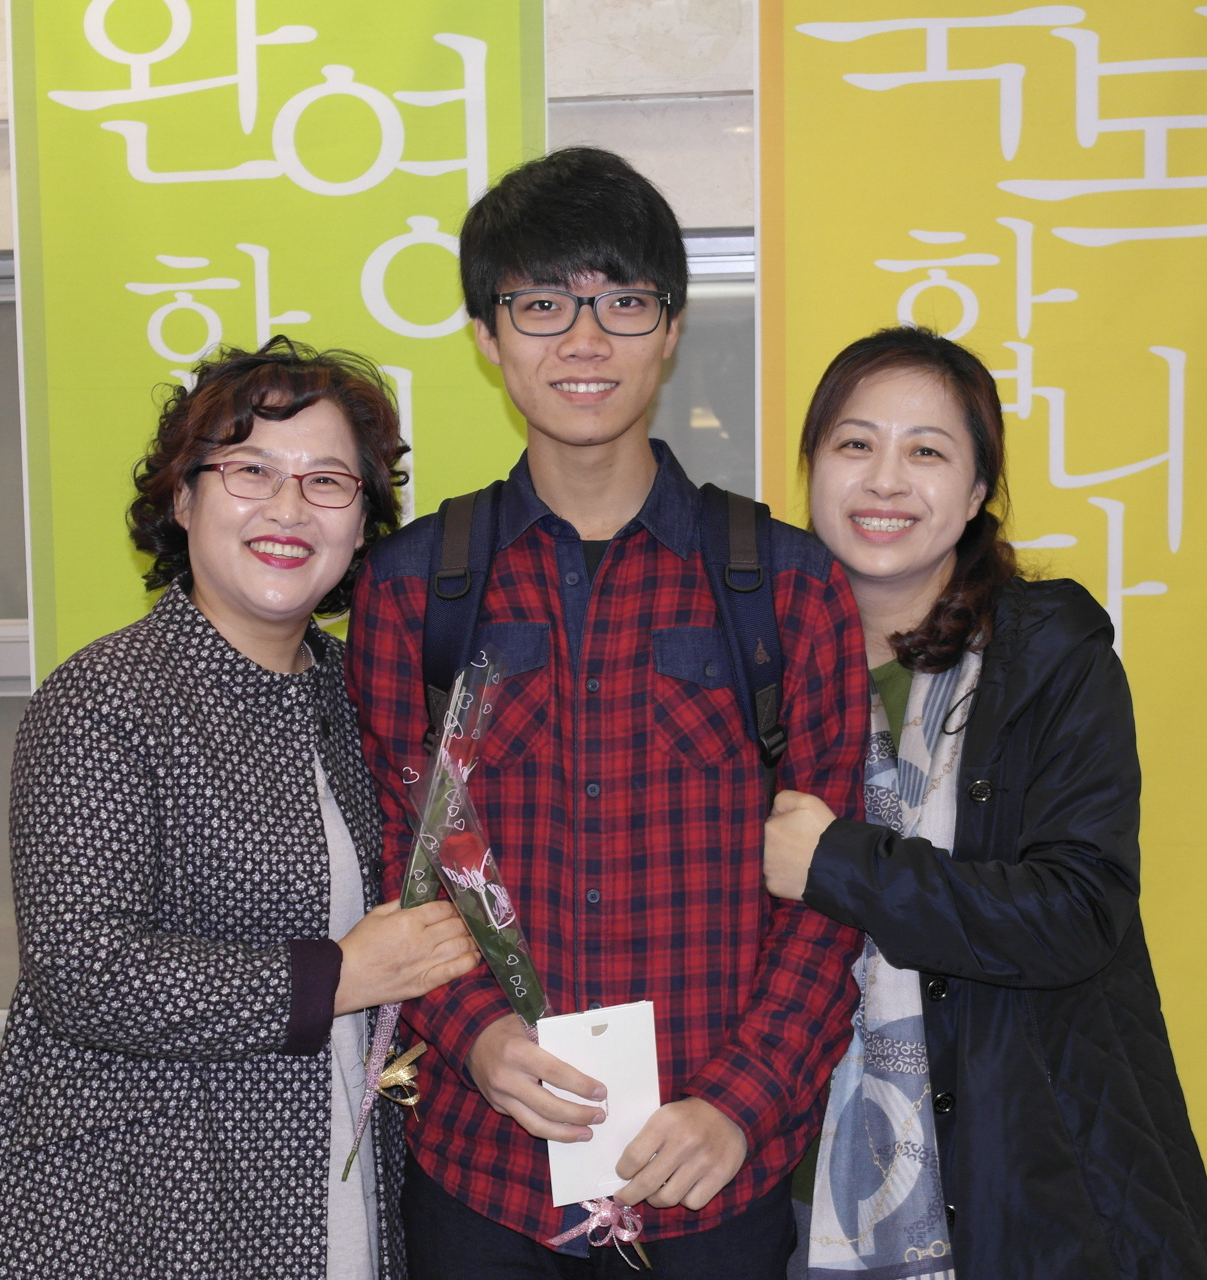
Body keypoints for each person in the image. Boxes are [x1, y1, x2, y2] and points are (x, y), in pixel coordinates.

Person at [346, 146, 871, 1279]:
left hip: (710, 1180)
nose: (584, 340)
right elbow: (402, 854)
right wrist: (478, 1035)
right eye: (542, 304)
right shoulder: (414, 586)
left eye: (623, 302)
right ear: (487, 335)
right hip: (485, 1178)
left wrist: (741, 1102)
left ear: (670, 328)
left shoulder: (786, 586)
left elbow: (833, 890)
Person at [0, 339, 479, 1280]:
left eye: (327, 481)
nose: (288, 508)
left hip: (334, 1180)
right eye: (250, 470)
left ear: (363, 525)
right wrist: (338, 977)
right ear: (184, 499)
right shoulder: (106, 699)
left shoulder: (354, 695)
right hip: (142, 1210)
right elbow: (83, 969)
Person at [763, 327, 1207, 1280]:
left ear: (977, 493)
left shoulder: (1050, 660)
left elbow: (1080, 909)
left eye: (927, 452)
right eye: (855, 444)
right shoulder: (749, 663)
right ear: (812, 468)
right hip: (790, 1171)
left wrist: (839, 864)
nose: (885, 481)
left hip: (1026, 1175)